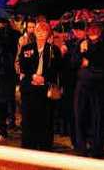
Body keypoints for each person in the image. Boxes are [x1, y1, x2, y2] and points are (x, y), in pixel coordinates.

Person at [19, 21, 62, 151]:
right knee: (28, 118)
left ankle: (45, 146)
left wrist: (44, 78)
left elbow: (57, 69)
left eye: (44, 31)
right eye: (38, 31)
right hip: (29, 87)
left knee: (45, 119)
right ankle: (28, 145)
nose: (41, 33)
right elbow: (22, 66)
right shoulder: (27, 48)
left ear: (48, 33)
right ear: (35, 32)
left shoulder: (54, 49)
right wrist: (32, 76)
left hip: (45, 89)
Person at [74, 22, 104, 158]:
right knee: (80, 115)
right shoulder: (81, 43)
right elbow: (74, 61)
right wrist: (82, 52)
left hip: (98, 85)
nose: (93, 31)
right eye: (90, 28)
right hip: (82, 84)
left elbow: (101, 60)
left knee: (97, 117)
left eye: (96, 29)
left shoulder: (103, 44)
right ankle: (81, 146)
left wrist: (88, 58)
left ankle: (96, 148)